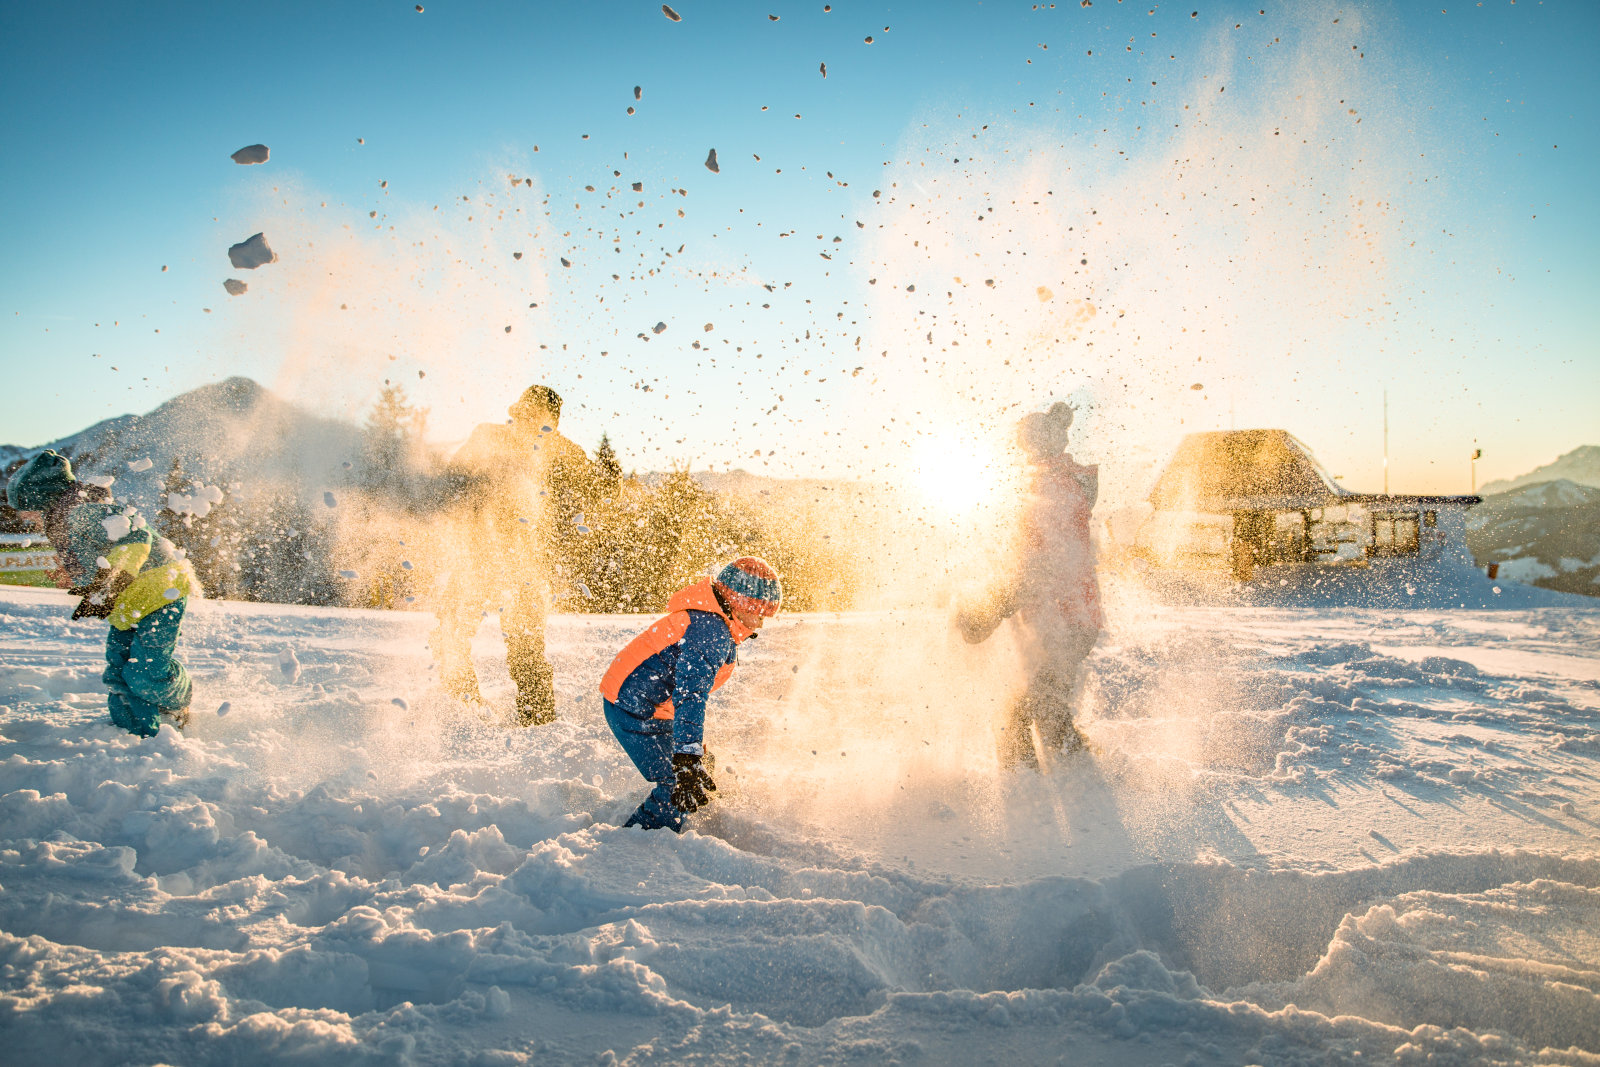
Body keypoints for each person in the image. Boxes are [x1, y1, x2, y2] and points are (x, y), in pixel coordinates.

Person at [429, 384, 592, 726]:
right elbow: (450, 482)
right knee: (451, 633)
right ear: (519, 412)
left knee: (526, 646)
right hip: (479, 554)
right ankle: (466, 708)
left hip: (522, 561)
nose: (536, 424)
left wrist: (603, 476)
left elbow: (599, 483)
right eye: (531, 415)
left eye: (545, 420)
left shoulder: (557, 448)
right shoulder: (488, 437)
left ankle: (538, 721)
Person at [954, 401, 1103, 769]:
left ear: (1043, 442)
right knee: (1048, 708)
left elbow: (1042, 564)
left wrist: (993, 607)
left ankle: (1029, 785)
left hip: (1067, 620)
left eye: (1029, 443)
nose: (1025, 451)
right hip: (1062, 619)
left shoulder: (1054, 487)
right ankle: (1077, 775)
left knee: (1017, 714)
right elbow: (1025, 558)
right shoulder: (1056, 480)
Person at [6, 450, 194, 737]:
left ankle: (179, 699)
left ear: (44, 499)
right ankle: (134, 734)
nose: (24, 518)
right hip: (128, 602)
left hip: (160, 592)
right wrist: (84, 583)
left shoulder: (82, 511)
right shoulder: (63, 523)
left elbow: (137, 536)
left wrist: (110, 582)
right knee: (118, 673)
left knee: (145, 674)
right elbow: (100, 557)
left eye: (27, 508)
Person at [600, 556, 782, 831]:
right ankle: (637, 844)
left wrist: (691, 753)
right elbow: (691, 695)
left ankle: (708, 819)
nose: (760, 624)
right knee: (678, 781)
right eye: (759, 614)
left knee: (699, 767)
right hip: (631, 708)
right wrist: (686, 754)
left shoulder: (714, 623)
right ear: (738, 604)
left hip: (650, 705)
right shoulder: (710, 633)